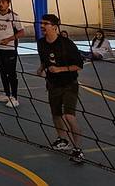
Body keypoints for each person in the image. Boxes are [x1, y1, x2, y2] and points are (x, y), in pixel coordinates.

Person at [36, 14, 85, 164]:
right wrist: (42, 68)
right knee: (56, 114)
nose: (42, 26)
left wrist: (60, 69)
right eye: (41, 23)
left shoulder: (67, 44)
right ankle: (63, 140)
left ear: (55, 26)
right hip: (53, 84)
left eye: (46, 23)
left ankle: (78, 149)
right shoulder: (41, 43)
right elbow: (45, 59)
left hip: (69, 84)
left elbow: (79, 65)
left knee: (69, 116)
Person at [0, 0, 24, 108]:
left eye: (3, 2)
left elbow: (21, 32)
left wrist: (8, 40)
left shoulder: (14, 16)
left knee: (11, 74)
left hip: (10, 50)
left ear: (8, 4)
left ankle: (14, 97)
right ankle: (6, 93)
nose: (0, 4)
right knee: (2, 73)